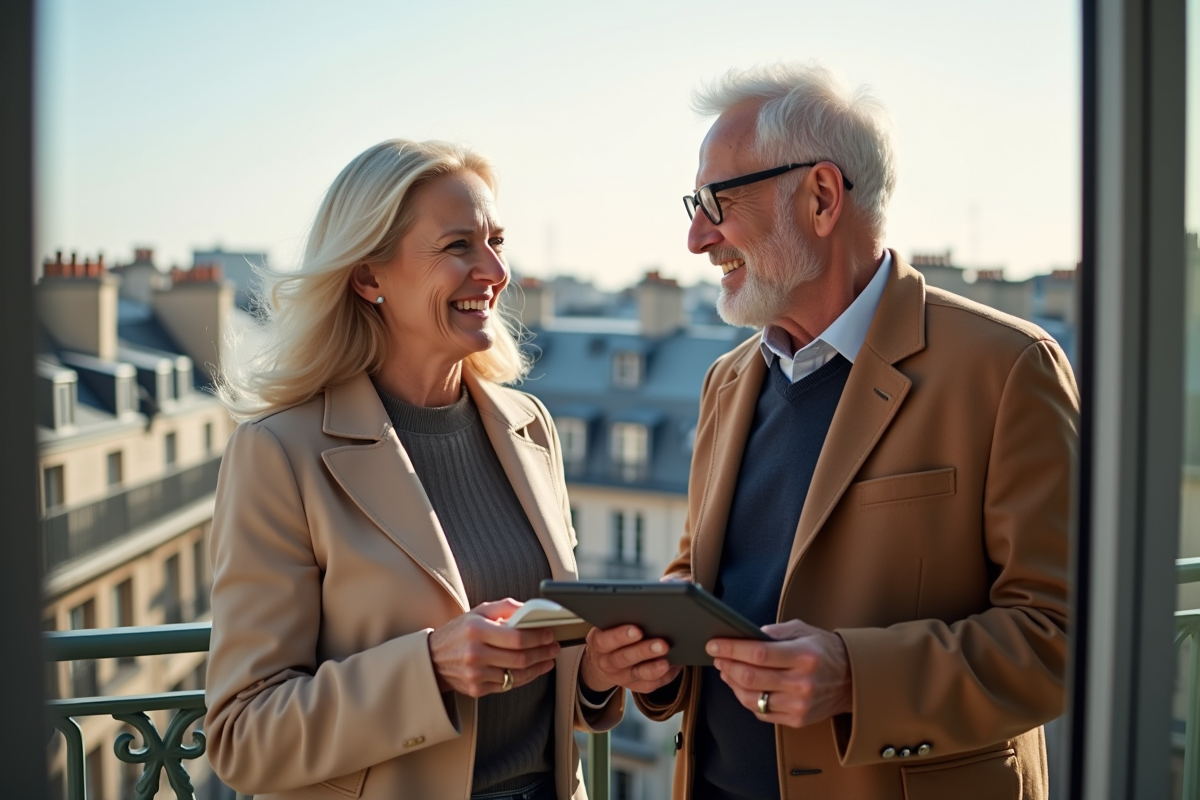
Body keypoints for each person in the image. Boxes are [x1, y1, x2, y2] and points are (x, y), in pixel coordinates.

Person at [581, 64, 1075, 800]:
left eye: (717, 201)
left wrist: (855, 678)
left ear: (820, 197)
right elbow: (703, 577)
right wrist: (653, 657)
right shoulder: (726, 382)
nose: (695, 237)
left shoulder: (1006, 368)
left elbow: (1063, 636)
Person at [203, 139, 622, 800]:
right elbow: (243, 737)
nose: (495, 271)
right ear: (369, 278)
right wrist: (429, 669)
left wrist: (596, 672)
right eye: (458, 246)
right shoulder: (278, 452)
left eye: (497, 242)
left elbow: (540, 692)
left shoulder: (529, 425)